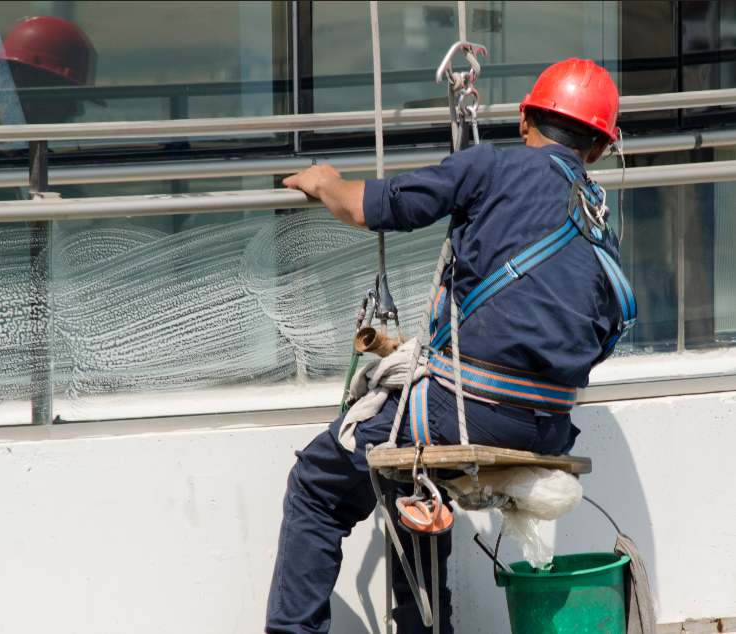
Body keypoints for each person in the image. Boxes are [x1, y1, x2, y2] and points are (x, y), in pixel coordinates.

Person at [265, 59, 633, 634]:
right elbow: (602, 331)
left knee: (317, 487)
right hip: (548, 425)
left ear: (524, 118)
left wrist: (324, 182)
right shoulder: (597, 219)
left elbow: (370, 207)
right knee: (416, 483)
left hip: (462, 411)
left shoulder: (492, 166)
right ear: (598, 149)